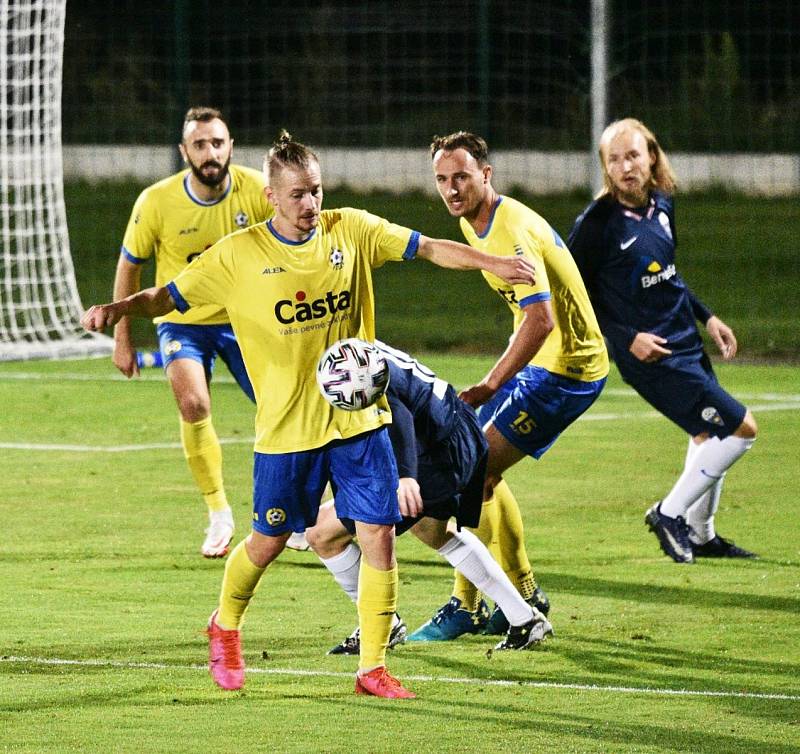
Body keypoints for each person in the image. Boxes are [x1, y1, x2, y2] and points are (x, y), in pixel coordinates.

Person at [81, 130, 535, 699]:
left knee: (379, 535)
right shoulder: (238, 255)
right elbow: (166, 297)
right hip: (287, 431)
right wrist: (119, 309)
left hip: (360, 424)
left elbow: (429, 248)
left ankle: (372, 668)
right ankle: (225, 625)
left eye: (316, 191)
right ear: (270, 196)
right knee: (267, 543)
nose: (310, 205)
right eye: (297, 194)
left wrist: (492, 262)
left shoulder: (353, 230)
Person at [409, 131, 609, 641]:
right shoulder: (473, 221)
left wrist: (489, 383)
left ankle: (469, 605)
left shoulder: (509, 229)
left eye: (461, 177)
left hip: (565, 371)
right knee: (479, 474)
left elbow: (540, 320)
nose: (451, 189)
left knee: (465, 473)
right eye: (442, 180)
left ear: (486, 174)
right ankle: (519, 593)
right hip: (543, 365)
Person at [567, 118, 758, 563]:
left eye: (632, 155)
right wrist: (625, 338)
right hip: (651, 355)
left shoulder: (662, 203)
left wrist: (707, 317)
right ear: (605, 168)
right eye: (614, 159)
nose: (624, 166)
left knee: (706, 434)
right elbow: (571, 293)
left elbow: (666, 275)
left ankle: (702, 535)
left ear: (651, 156)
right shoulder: (597, 224)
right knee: (741, 428)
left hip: (686, 341)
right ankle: (669, 514)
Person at [306, 341, 553, 656]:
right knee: (431, 530)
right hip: (454, 430)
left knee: (323, 534)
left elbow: (396, 411)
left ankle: (380, 622)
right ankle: (525, 619)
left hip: (436, 450)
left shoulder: (343, 368)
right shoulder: (353, 342)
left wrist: (406, 475)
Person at [113, 106, 272, 558]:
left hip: (246, 317)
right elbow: (130, 267)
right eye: (200, 144)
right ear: (184, 151)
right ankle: (219, 512)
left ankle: (287, 511)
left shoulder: (258, 191)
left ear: (231, 147)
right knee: (194, 402)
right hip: (182, 321)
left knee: (278, 408)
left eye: (218, 143)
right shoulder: (156, 201)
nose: (210, 153)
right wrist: (123, 338)